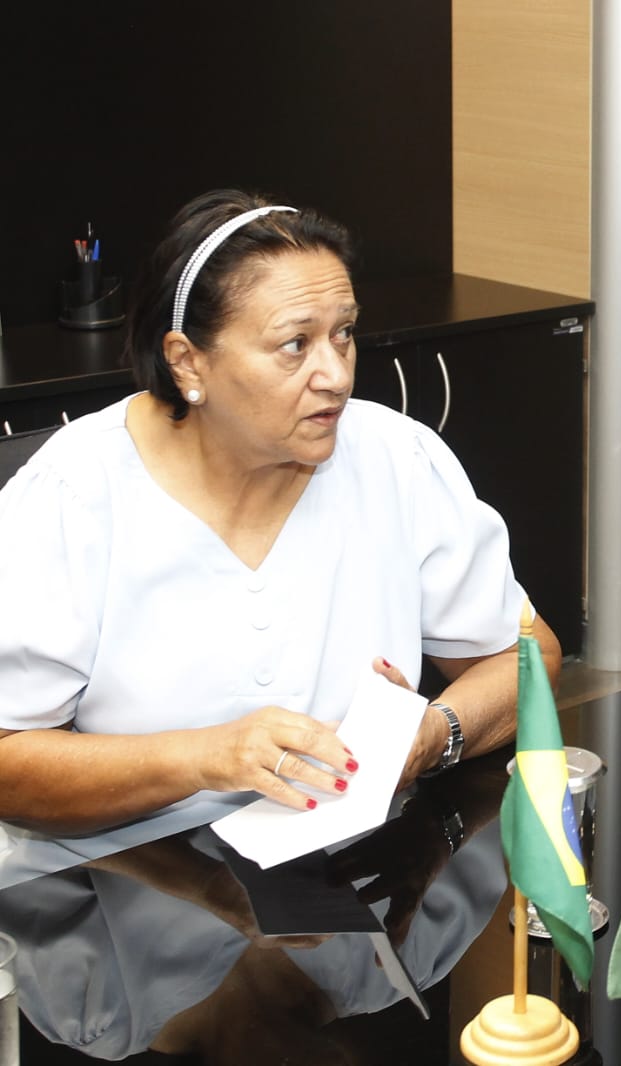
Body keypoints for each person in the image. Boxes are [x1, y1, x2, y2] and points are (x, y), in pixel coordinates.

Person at [0, 189, 560, 833]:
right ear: (188, 362)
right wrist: (202, 759)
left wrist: (435, 731)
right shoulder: (75, 495)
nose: (337, 375)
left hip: (352, 856)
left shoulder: (393, 457)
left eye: (343, 333)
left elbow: (526, 659)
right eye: (295, 343)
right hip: (125, 869)